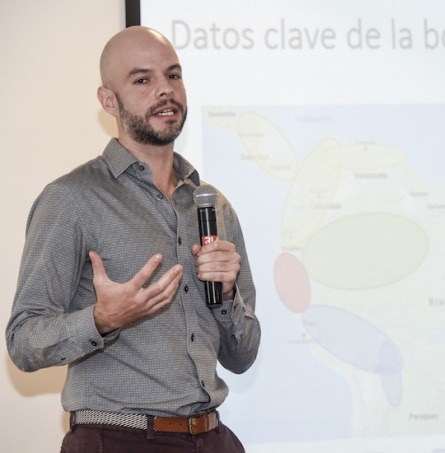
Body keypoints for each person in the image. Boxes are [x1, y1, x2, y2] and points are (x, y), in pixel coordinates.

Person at [5, 26, 260, 452]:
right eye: (142, 80)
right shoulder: (72, 199)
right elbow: (23, 341)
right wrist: (102, 320)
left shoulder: (213, 206)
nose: (165, 90)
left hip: (213, 438)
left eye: (173, 76)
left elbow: (243, 356)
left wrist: (226, 295)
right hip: (117, 438)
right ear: (109, 101)